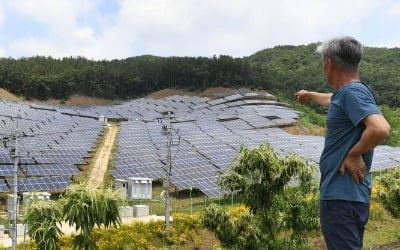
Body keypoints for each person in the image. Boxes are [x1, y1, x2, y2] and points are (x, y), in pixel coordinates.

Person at [295, 36, 391, 250]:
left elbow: (381, 128)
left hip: (341, 195)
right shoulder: (347, 93)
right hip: (350, 195)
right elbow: (332, 99)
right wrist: (309, 95)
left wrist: (354, 154)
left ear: (329, 63)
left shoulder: (351, 93)